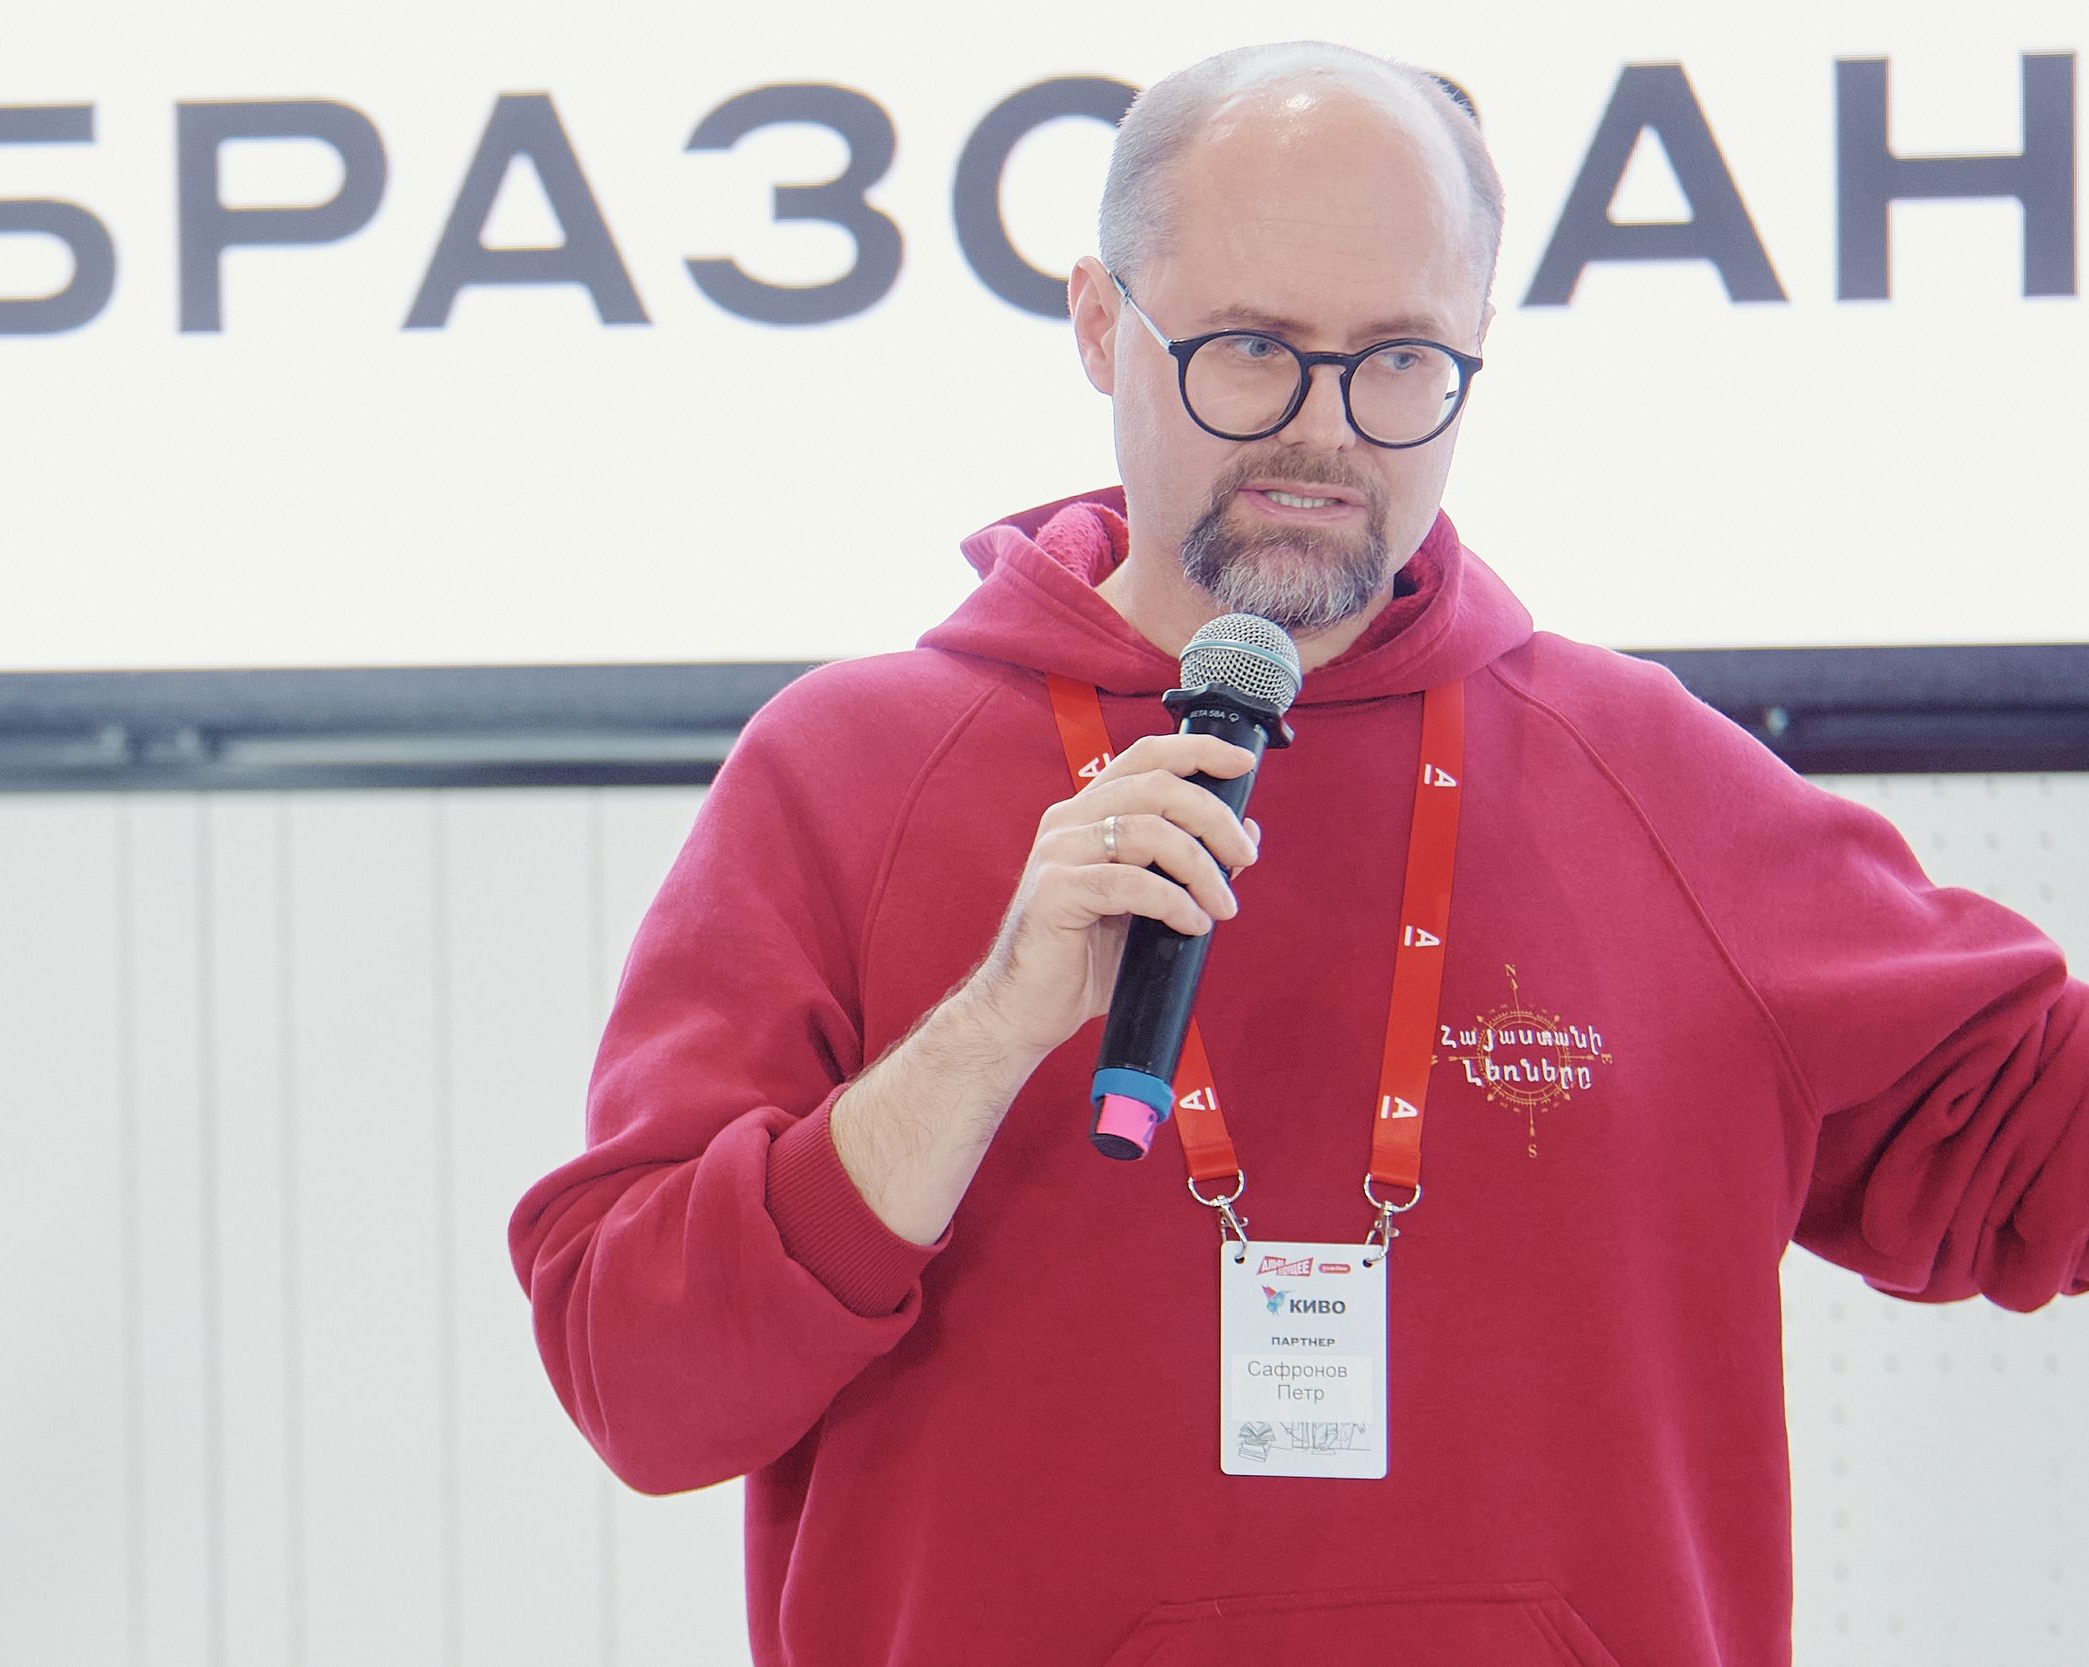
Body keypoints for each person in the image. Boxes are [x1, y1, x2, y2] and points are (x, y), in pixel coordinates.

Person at [509, 39, 2088, 1667]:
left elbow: (2042, 1145)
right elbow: (644, 1386)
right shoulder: (847, 776)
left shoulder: (1648, 773)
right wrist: (980, 1039)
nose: (1323, 435)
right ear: (1100, 323)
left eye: (1399, 360)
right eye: (1252, 351)